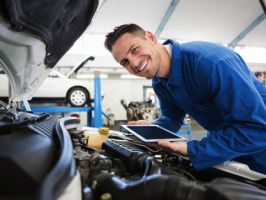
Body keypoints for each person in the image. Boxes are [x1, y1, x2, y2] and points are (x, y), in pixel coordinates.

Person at [104, 24, 266, 174]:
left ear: (151, 38)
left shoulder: (211, 63)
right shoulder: (159, 82)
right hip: (226, 141)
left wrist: (193, 149)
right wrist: (152, 130)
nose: (134, 63)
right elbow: (171, 119)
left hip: (258, 142)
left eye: (134, 50)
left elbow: (257, 129)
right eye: (125, 62)